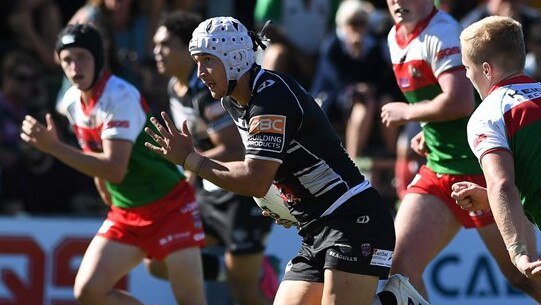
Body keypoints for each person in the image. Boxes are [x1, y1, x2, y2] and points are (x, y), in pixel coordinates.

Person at [145, 15, 431, 305]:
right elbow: (269, 169)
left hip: (353, 219)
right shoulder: (234, 101)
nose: (201, 72)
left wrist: (191, 160)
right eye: (196, 61)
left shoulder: (270, 98)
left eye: (207, 59)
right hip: (316, 226)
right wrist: (285, 202)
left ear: (235, 58)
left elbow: (256, 179)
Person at [20, 23, 208, 305]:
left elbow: (113, 168)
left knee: (191, 302)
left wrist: (55, 148)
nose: (74, 67)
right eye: (66, 60)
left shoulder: (120, 96)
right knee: (88, 291)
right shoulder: (71, 101)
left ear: (98, 57)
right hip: (127, 212)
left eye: (82, 57)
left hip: (170, 207)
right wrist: (104, 190)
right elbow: (95, 154)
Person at [381, 0, 541, 302]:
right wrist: (431, 131)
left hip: (481, 171)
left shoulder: (444, 34)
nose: (398, 2)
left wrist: (409, 113)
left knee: (524, 275)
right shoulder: (394, 36)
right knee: (399, 270)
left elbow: (461, 101)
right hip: (439, 167)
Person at [149, 11, 276, 305]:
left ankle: (248, 273)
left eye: (166, 44)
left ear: (187, 48)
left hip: (237, 197)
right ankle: (240, 271)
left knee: (244, 294)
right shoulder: (174, 87)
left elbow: (234, 149)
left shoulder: (206, 93)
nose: (157, 51)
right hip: (206, 195)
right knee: (156, 259)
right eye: (156, 44)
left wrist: (188, 162)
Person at [451, 15, 541, 280]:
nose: (467, 75)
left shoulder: (488, 114)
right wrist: (490, 196)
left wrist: (518, 252)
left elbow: (502, 184)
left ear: (487, 70)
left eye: (467, 67)